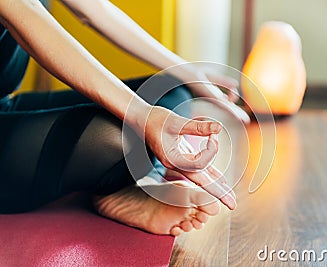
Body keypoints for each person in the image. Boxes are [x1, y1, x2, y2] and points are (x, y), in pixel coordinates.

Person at [0, 0, 249, 236]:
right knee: (122, 138)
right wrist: (142, 116)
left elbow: (95, 10)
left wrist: (187, 70)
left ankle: (133, 179)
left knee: (171, 88)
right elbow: (27, 11)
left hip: (6, 105)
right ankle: (132, 184)